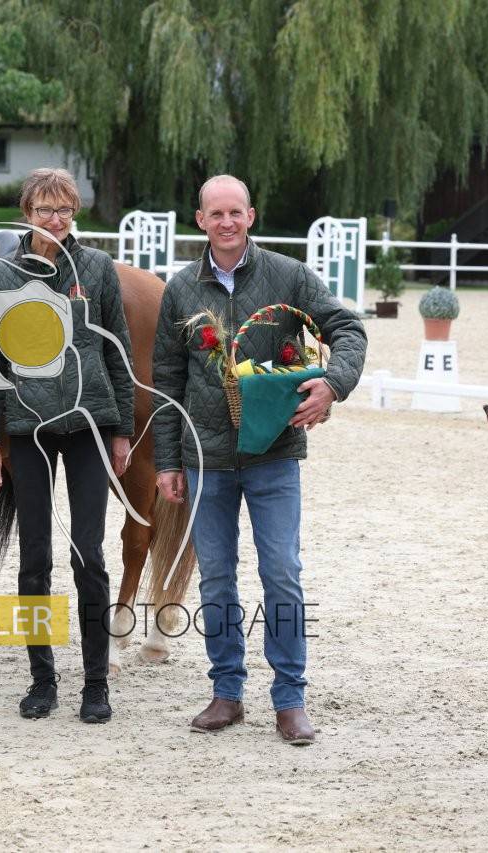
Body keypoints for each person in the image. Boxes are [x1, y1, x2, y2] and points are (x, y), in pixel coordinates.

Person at [151, 175, 367, 741]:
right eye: (216, 213)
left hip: (274, 453)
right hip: (205, 458)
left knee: (282, 574)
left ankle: (290, 698)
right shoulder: (180, 288)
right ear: (200, 220)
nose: (226, 222)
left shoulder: (290, 275)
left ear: (251, 215)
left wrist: (333, 385)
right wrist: (167, 461)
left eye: (236, 212)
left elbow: (347, 328)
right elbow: (167, 381)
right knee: (216, 579)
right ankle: (227, 692)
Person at [0, 168, 135, 723]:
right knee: (35, 558)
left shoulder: (97, 268)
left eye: (64, 209)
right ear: (26, 213)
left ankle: (96, 682)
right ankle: (42, 678)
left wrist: (122, 428)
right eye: (45, 209)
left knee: (89, 554)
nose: (55, 219)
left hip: (90, 424)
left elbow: (117, 348)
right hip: (29, 429)